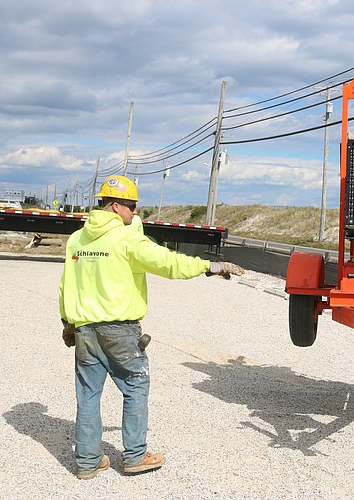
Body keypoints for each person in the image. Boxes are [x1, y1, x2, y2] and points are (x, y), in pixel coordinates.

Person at [58, 175, 244, 480]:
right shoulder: (127, 239)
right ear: (117, 206)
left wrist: (67, 321)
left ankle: (88, 462)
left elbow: (66, 285)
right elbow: (168, 262)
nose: (135, 212)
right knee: (135, 386)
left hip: (85, 330)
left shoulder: (78, 239)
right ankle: (134, 456)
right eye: (132, 206)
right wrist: (209, 266)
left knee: (88, 394)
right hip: (119, 330)